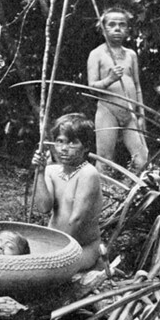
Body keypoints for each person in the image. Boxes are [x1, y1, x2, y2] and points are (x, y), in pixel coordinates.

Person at [31, 113, 105, 271]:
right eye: (60, 141)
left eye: (73, 143)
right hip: (54, 244)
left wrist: (60, 253)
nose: (64, 149)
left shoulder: (87, 173)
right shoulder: (51, 171)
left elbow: (77, 219)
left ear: (86, 147)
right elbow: (43, 208)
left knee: (48, 271)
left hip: (82, 247)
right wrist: (40, 172)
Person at [86, 7, 148, 173]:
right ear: (103, 29)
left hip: (130, 113)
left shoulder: (131, 55)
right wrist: (109, 79)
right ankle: (100, 189)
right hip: (108, 111)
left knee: (142, 159)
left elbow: (137, 86)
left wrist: (141, 115)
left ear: (127, 29)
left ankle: (134, 187)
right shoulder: (97, 54)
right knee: (104, 159)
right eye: (112, 25)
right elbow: (91, 87)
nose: (117, 29)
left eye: (122, 25)